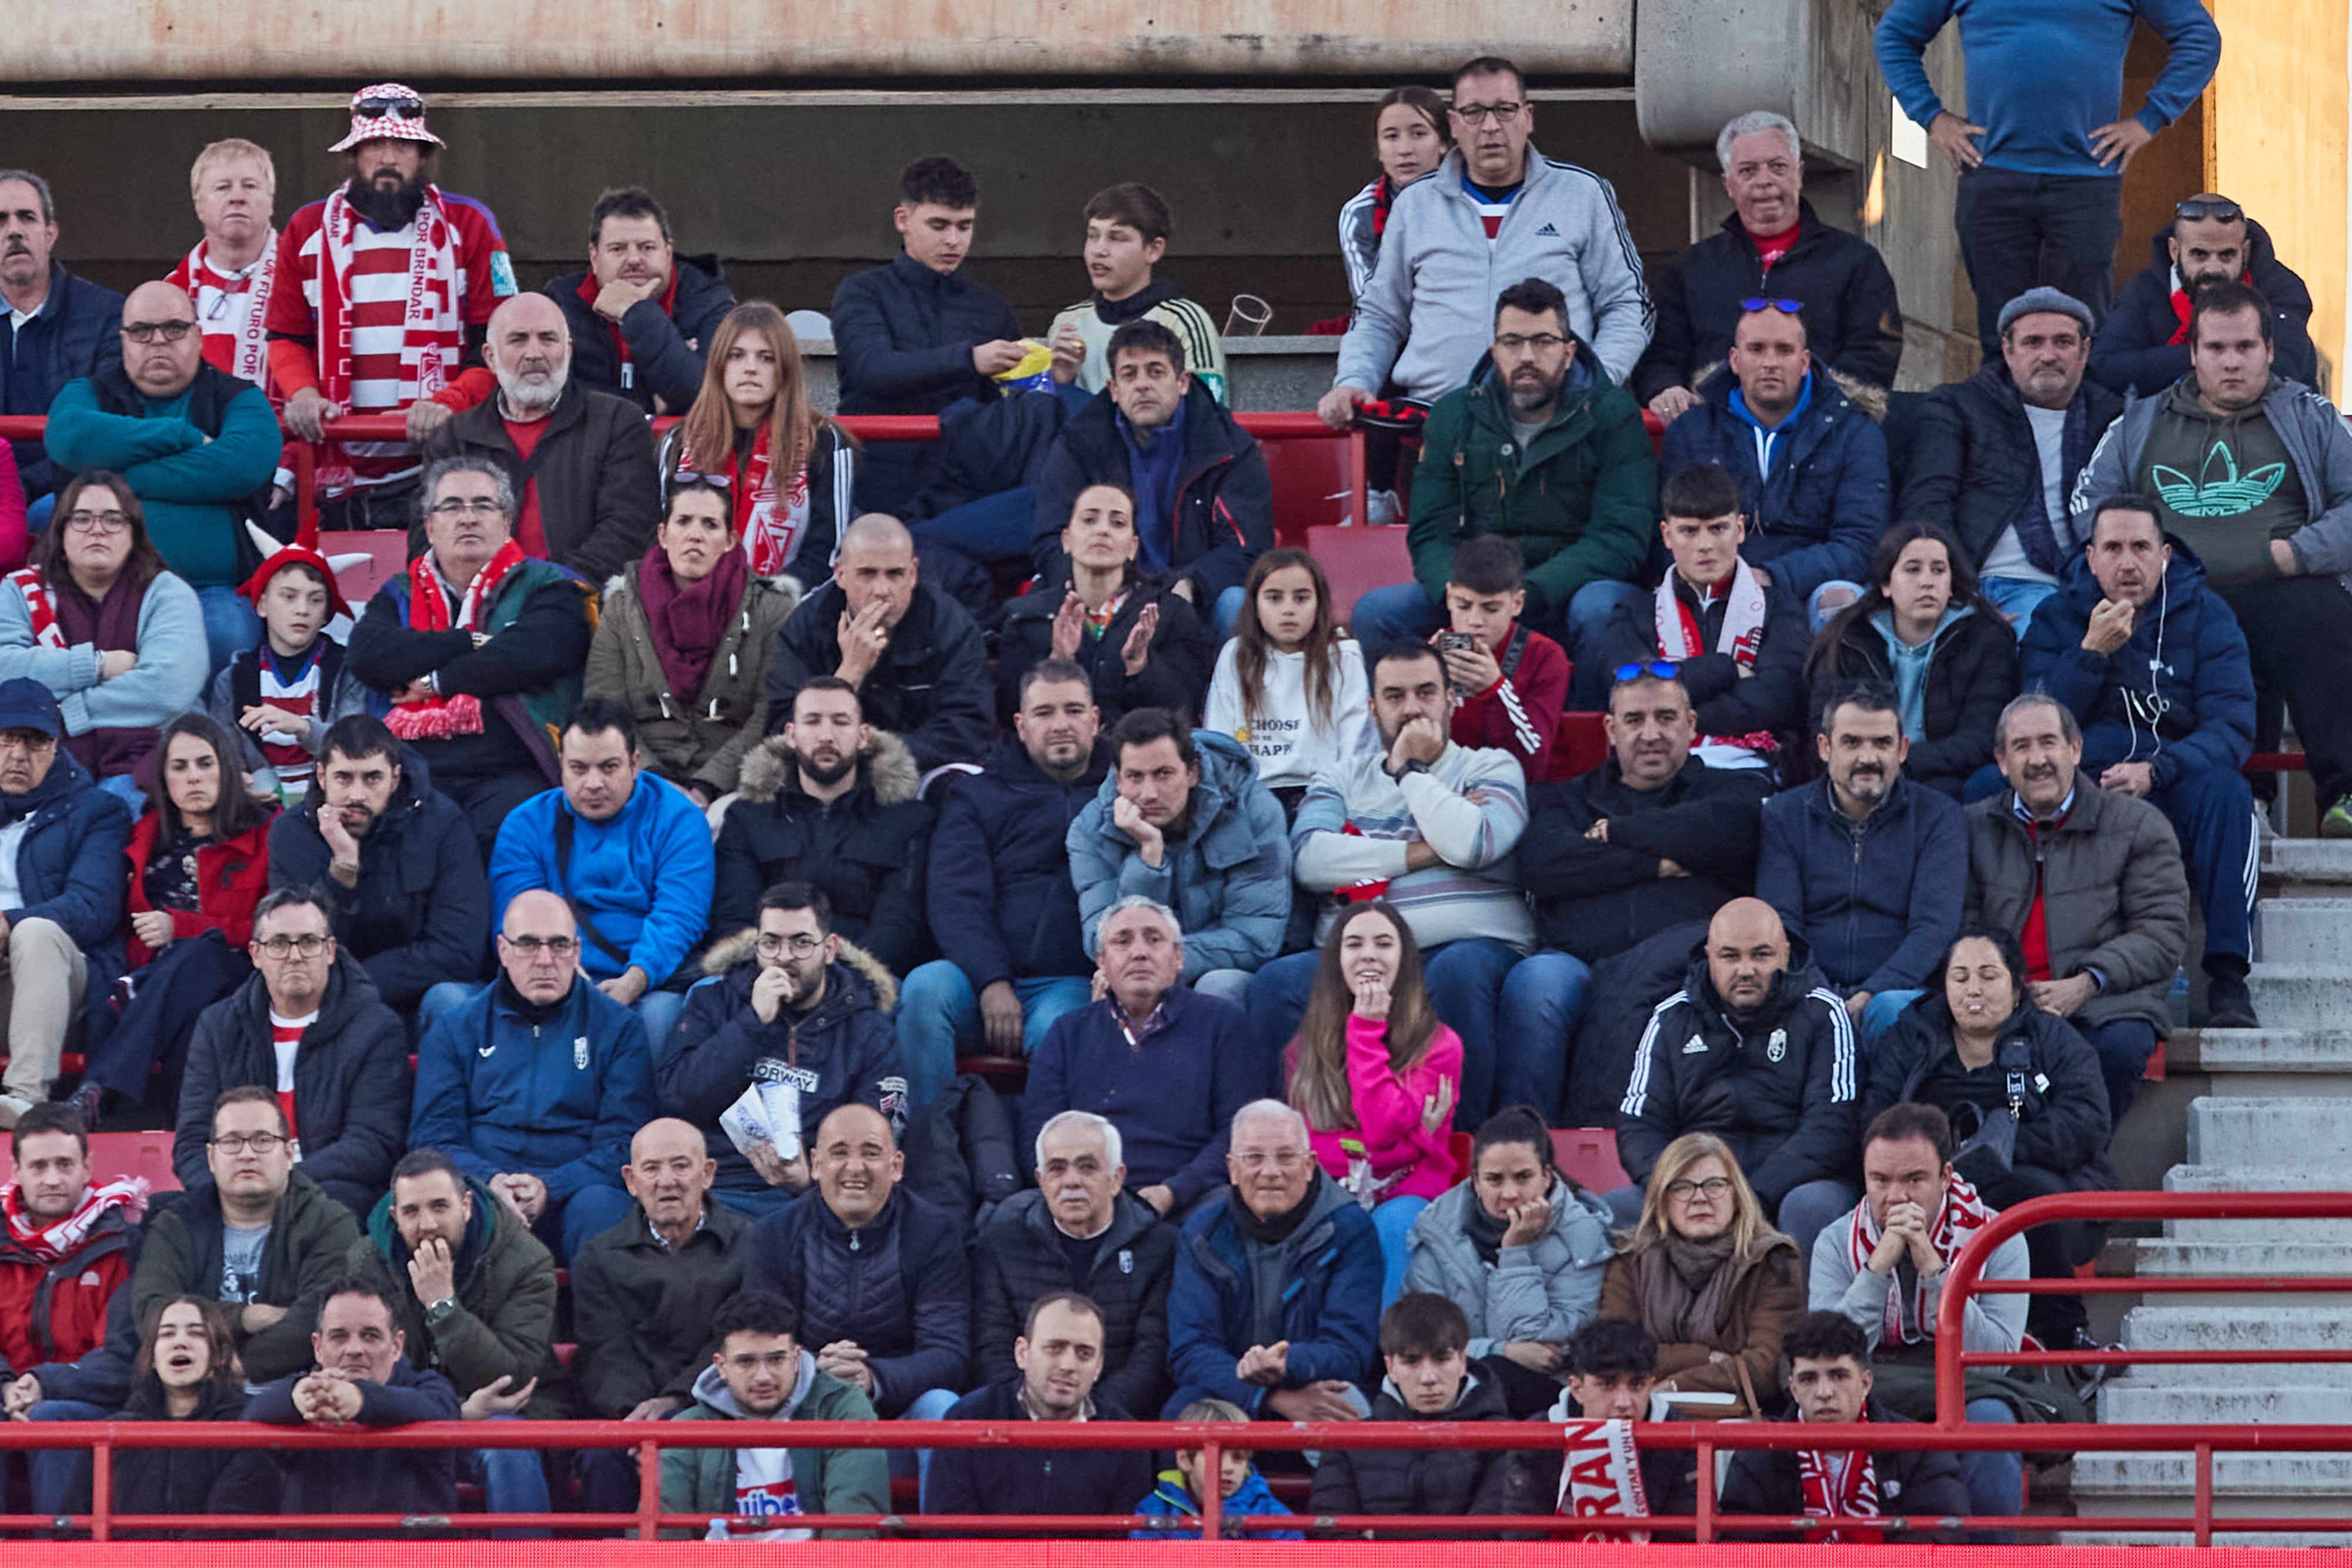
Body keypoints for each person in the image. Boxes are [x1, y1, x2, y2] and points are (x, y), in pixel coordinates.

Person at [2073, 279, 2352, 835]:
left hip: (2283, 588)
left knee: (2323, 616)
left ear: (2269, 350)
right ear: (2193, 352)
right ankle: (2244, 797)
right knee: (2207, 630)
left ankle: (2344, 793)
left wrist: (2297, 553)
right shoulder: (2138, 423)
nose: (2231, 362)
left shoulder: (2312, 416)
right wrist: (2142, 567)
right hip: (2173, 598)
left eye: (2245, 348)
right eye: (2217, 349)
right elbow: (2089, 508)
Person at [1259, 641, 1532, 1125]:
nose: (1411, 708)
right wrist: (1429, 848)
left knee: (1458, 974)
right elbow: (1310, 860)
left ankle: (1461, 1139)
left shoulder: (1490, 766)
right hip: (1354, 952)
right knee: (1275, 983)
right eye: (1394, 695)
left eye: (1426, 692)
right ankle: (1307, 1147)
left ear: (1452, 699)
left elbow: (1476, 844)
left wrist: (1410, 772)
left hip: (1470, 944)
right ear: (1372, 707)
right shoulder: (1340, 778)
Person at [1355, 278, 1656, 697]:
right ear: (1494, 351)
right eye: (1512, 342)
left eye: (1544, 342)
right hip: (1475, 590)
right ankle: (1412, 739)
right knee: (1377, 613)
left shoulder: (1613, 415)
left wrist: (1526, 595)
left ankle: (1588, 742)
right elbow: (1430, 532)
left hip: (1568, 590)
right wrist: (1462, 598)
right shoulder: (1452, 416)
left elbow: (1620, 538)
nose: (1527, 356)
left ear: (1569, 352)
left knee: (1601, 608)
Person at [2017, 504, 2254, 1031]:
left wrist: (2158, 770)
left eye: (2142, 548)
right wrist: (2089, 654)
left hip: (2171, 778)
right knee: (1988, 789)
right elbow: (2028, 724)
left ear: (2165, 556)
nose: (2128, 564)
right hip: (2079, 783)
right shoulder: (2058, 615)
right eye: (2114, 550)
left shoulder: (2207, 614)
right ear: (2091, 559)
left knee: (2228, 793)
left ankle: (2229, 981)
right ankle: (2005, 974)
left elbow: (2231, 726)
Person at [1872, 0, 2220, 356]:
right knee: (2001, 335)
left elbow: (2201, 38)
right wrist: (1932, 117)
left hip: (2085, 184)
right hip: (1994, 177)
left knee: (2084, 332)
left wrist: (2150, 119)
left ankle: (2085, 412)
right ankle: (2003, 411)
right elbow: (1894, 36)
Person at [1321, 55, 1651, 421]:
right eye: (1475, 112)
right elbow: (1379, 316)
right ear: (1454, 124)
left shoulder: (1583, 193)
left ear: (1528, 117)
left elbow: (1628, 305)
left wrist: (1596, 385)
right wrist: (1354, 378)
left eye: (1505, 110)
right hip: (1440, 422)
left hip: (1558, 422)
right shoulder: (1414, 205)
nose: (1491, 126)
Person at [266, 86, 516, 526]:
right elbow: (286, 336)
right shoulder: (306, 227)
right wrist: (302, 393)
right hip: (333, 470)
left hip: (440, 467)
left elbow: (497, 345)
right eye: (375, 145)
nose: (388, 158)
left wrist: (448, 403)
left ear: (422, 157)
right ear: (354, 155)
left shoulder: (472, 224)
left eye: (402, 145)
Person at [1865, 932, 2115, 1345]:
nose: (1973, 989)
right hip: (1926, 1183)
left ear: (2017, 988)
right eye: (1959, 977)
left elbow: (2087, 1119)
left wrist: (2000, 1152)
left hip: (2034, 1177)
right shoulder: (1912, 1036)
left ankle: (2064, 1339)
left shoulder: (2051, 1038)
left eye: (1988, 976)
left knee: (2029, 1197)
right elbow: (1876, 1115)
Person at [1518, 666, 1771, 1062]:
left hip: (1686, 966)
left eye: (1666, 718)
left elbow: (1729, 832)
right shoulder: (1563, 800)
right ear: (1610, 728)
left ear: (1691, 724)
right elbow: (1543, 864)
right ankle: (1528, 1123)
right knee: (1536, 982)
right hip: (1577, 963)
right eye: (1634, 720)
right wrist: (1655, 865)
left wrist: (1615, 832)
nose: (1651, 734)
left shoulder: (1733, 791)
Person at [348, 454, 595, 860]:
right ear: (430, 526)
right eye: (452, 507)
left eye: (483, 505)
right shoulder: (399, 591)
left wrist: (435, 681)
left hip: (515, 766)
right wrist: (468, 642)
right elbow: (369, 656)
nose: (468, 518)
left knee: (507, 835)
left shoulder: (551, 584)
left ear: (507, 521)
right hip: (412, 768)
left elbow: (536, 653)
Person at [1963, 693, 2196, 1118]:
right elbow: (1959, 927)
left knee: (2121, 1045)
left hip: (2104, 1002)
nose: (2038, 759)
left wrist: (2086, 981)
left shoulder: (2138, 824)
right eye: (2022, 746)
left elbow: (2161, 932)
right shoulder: (1971, 827)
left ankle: (2079, 1163)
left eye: (2049, 742)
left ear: (2076, 748)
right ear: (2001, 761)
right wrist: (2002, 990)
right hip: (2000, 1002)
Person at [1809, 1102, 2032, 1522]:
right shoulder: (1835, 1242)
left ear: (1946, 1177)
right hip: (1876, 1377)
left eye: (1914, 1179)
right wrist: (1879, 1265)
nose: (1896, 1196)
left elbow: (1996, 1360)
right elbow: (1828, 1357)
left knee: (1991, 1421)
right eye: (1880, 1179)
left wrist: (1933, 1267)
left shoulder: (1999, 1237)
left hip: (1965, 1382)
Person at [43, 279, 280, 670]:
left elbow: (242, 465)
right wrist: (180, 436)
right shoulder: (87, 392)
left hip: (215, 591)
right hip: (101, 590)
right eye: (141, 331)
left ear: (199, 336)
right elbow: (67, 437)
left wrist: (116, 479)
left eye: (174, 328)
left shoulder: (240, 397)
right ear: (123, 340)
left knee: (230, 639)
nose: (158, 341)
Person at [408, 890, 650, 1262]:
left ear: (577, 951)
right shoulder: (456, 1029)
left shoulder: (619, 1029)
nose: (545, 960)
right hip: (481, 1190)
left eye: (558, 945)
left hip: (575, 1192)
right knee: (439, 1207)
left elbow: (624, 1143)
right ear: (503, 951)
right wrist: (490, 1184)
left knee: (603, 1209)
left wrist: (550, 1187)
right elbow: (434, 1137)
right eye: (528, 945)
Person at [897, 660, 1102, 1095]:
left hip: (1067, 982)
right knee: (924, 990)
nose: (1061, 724)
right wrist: (992, 981)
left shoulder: (1121, 792)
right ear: (1020, 724)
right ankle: (929, 1148)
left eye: (1073, 710)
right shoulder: (976, 794)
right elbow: (956, 897)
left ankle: (1047, 1159)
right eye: (1044, 713)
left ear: (1095, 719)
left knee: (1061, 1029)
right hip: (976, 979)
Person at [1615, 898, 1860, 1252]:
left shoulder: (1823, 1012)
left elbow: (1833, 1127)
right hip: (1693, 1182)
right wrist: (1683, 1189)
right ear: (1709, 957)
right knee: (1619, 1208)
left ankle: (1805, 1311)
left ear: (1785, 954)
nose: (1746, 970)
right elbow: (1639, 1124)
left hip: (1791, 1184)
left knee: (1812, 1206)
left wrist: (1748, 1196)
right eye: (1730, 957)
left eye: (1761, 955)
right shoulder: (1671, 1018)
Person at [71, 713, 275, 1127]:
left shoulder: (267, 832)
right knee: (183, 1019)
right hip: (164, 985)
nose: (194, 777)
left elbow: (268, 928)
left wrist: (181, 927)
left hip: (238, 974)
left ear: (228, 769)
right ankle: (168, 1142)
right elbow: (123, 927)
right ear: (163, 778)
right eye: (179, 767)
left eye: (205, 763)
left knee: (196, 955)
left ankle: (98, 1088)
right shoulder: (143, 834)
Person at [659, 882, 908, 1221]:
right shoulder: (713, 1004)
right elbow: (678, 1100)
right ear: (756, 946)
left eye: (802, 943)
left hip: (817, 1202)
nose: (785, 957)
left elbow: (877, 1137)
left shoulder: (868, 1030)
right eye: (771, 943)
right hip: (718, 1191)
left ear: (830, 948)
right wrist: (754, 1022)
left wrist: (812, 1180)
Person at [1632, 111, 1903, 423]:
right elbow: (1661, 354)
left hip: (1825, 435)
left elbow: (1875, 353)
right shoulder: (1691, 268)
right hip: (1713, 435)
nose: (1765, 181)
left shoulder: (1857, 261)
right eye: (1748, 171)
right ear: (1729, 184)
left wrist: (1806, 401)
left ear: (1799, 174)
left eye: (1778, 167)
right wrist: (1666, 388)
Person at [348, 1148, 566, 1516]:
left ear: (465, 1205)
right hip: (410, 1415)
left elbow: (510, 1377)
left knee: (505, 1445)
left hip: (509, 1413)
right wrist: (457, 1414)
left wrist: (443, 1307)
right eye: (412, 1212)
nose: (427, 1223)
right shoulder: (366, 1262)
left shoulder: (527, 1260)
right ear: (394, 1216)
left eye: (440, 1207)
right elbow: (369, 1374)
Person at [483, 699, 714, 1044]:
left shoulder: (679, 820)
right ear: (560, 765)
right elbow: (517, 922)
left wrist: (633, 982)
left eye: (609, 768)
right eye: (579, 769)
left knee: (659, 1014)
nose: (593, 783)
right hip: (550, 978)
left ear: (635, 764)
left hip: (648, 983)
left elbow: (679, 917)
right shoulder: (526, 824)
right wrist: (570, 986)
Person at [1897, 288, 2124, 631]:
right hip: (1977, 582)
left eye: (2063, 342)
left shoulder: (2112, 417)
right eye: (2033, 343)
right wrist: (1958, 596)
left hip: (2073, 587)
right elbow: (1928, 503)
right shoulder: (1959, 407)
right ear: (2008, 350)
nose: (2048, 355)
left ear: (2084, 351)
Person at [173, 887, 410, 1215]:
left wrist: (279, 1185)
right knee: (159, 1217)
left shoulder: (376, 1027)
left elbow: (372, 1144)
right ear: (256, 954)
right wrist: (227, 1196)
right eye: (280, 944)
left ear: (330, 951)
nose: (295, 955)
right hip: (234, 1196)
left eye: (309, 942)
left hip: (329, 1196)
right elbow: (193, 1141)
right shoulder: (217, 1027)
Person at [1021, 896, 1262, 1218]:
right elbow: (1040, 1134)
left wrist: (1175, 1191)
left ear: (1178, 958)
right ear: (1102, 963)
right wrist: (1094, 1193)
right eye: (1122, 942)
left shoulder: (1222, 1024)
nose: (1139, 952)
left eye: (1154, 939)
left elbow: (1241, 1131)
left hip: (1192, 1198)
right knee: (1012, 1216)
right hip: (1090, 1200)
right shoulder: (1068, 1032)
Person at [1030, 321, 1272, 637]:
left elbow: (1248, 545)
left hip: (1196, 595)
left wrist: (1192, 584)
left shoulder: (1229, 446)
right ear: (1114, 390)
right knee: (1035, 610)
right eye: (1130, 374)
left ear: (1183, 382)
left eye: (1155, 371)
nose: (1142, 384)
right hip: (1103, 590)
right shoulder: (1080, 443)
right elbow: (1050, 538)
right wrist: (1100, 588)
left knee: (1236, 603)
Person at [1658, 302, 1889, 626]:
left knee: (1839, 600)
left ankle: (1834, 680)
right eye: (1756, 349)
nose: (1770, 363)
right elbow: (1669, 533)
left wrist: (1770, 576)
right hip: (1712, 579)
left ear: (1805, 362)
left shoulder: (1855, 432)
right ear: (1735, 361)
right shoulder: (1690, 430)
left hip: (1810, 586)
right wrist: (1725, 577)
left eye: (1784, 351)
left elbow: (1861, 543)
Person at [740, 1103, 969, 1427]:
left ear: (897, 1166)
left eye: (871, 1153)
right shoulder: (774, 1234)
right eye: (839, 1153)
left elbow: (948, 1353)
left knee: (942, 1406)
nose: (855, 1167)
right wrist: (817, 1370)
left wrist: (873, 1377)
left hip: (901, 1406)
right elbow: (762, 1344)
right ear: (816, 1164)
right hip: (806, 1405)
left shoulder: (933, 1232)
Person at [1759, 683, 1967, 1038]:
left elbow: (1933, 928)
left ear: (1903, 750)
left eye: (1882, 743)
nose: (1867, 758)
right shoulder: (1784, 815)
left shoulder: (1938, 817)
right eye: (1852, 742)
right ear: (1825, 747)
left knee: (1888, 1014)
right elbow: (1782, 924)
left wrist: (1872, 994)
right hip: (1806, 989)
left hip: (1900, 995)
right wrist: (1823, 997)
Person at [570, 1118, 757, 1513]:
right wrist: (644, 1427)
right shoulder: (599, 1256)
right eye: (652, 1168)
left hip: (715, 1410)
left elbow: (739, 1338)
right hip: (631, 1418)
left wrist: (677, 1406)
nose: (666, 1181)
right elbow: (606, 1350)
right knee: (601, 1460)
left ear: (708, 1173)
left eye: (681, 1165)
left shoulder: (751, 1245)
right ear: (630, 1180)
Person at [128, 1085, 363, 1390]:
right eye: (232, 1142)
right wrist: (247, 1317)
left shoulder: (329, 1223)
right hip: (194, 1400)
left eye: (263, 1140)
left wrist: (230, 1365)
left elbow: (322, 1321)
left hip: (298, 1399)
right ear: (211, 1158)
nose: (247, 1154)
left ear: (290, 1154)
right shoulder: (175, 1225)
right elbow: (152, 1313)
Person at [1286, 900, 1462, 1306]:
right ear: (1337, 960)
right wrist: (1415, 1140)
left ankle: (1389, 1360)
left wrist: (1365, 1030)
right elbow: (1316, 1147)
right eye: (1354, 944)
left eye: (1384, 943)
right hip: (1332, 1193)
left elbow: (1381, 1125)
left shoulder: (1440, 1045)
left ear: (1405, 960)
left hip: (1408, 1194)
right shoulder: (1304, 1048)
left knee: (1395, 1224)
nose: (1368, 953)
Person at [418, 291, 662, 583]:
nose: (535, 353)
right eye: (518, 340)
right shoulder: (453, 438)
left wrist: (549, 589)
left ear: (569, 351)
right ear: (490, 358)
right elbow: (427, 539)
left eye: (548, 338)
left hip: (582, 603)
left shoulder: (619, 423)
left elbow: (627, 530)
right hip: (477, 607)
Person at [1164, 1099, 1383, 1420]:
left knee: (1350, 1409)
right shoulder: (1201, 1231)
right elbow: (1190, 1350)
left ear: (1309, 1166)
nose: (1270, 1172)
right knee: (1181, 1415)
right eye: (1254, 1158)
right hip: (1233, 1389)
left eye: (1285, 1157)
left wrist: (1287, 1363)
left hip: (1316, 1383)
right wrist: (1267, 1396)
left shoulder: (1350, 1229)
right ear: (1232, 1169)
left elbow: (1351, 1349)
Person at [830, 156, 1024, 519]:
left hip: (961, 491)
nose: (954, 240)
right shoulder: (862, 291)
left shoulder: (992, 308)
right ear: (903, 220)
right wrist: (970, 360)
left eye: (965, 226)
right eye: (939, 225)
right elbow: (872, 370)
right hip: (872, 489)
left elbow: (1007, 411)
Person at [583, 477, 796, 803]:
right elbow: (605, 707)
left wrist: (709, 786)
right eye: (683, 521)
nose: (695, 534)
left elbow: (770, 713)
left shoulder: (772, 608)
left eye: (710, 525)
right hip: (638, 779)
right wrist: (656, 781)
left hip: (737, 785)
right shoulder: (622, 607)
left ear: (729, 541)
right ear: (663, 535)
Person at [266, 714, 492, 1014]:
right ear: (322, 776)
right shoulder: (291, 834)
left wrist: (356, 985)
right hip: (328, 1000)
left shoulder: (442, 822)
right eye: (343, 778)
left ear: (395, 778)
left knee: (451, 1001)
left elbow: (460, 951)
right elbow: (297, 949)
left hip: (422, 990)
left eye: (372, 778)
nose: (357, 795)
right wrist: (343, 869)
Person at [1402, 1105, 1617, 1419]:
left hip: (1546, 1392)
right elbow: (1418, 1337)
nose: (1510, 1192)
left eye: (1523, 1177)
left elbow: (1545, 1349)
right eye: (1494, 1179)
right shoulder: (1438, 1230)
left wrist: (1516, 1252)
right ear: (1475, 1181)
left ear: (1546, 1176)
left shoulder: (1583, 1236)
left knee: (1495, 1378)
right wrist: (1498, 1350)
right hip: (1450, 1382)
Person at [0, 472, 206, 800]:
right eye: (82, 519)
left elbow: (168, 688)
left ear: (134, 533)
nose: (97, 529)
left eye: (113, 519)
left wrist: (66, 710)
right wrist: (97, 666)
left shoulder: (167, 592)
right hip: (37, 765)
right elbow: (5, 670)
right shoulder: (19, 590)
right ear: (61, 530)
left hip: (140, 766)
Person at [711, 677, 933, 972]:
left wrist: (837, 982)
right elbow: (734, 919)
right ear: (791, 734)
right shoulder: (748, 817)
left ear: (863, 735)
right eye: (813, 722)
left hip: (868, 980)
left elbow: (899, 924)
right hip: (767, 975)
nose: (826, 736)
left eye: (841, 722)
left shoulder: (907, 819)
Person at [1070, 708, 1290, 1001]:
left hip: (1228, 968)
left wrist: (1165, 962)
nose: (1149, 793)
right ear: (1118, 780)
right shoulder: (1090, 830)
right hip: (1142, 969)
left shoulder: (1253, 812)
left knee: (1216, 987)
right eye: (1135, 777)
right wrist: (1149, 857)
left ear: (1192, 773)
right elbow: (1101, 938)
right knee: (1115, 987)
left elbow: (1256, 938)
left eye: (1164, 774)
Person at [973, 1109, 1177, 1421]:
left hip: (1118, 1425)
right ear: (1040, 1180)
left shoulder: (1159, 1246)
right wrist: (1037, 1412)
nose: (1071, 1181)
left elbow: (1151, 1356)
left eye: (1087, 1167)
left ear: (1116, 1178)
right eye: (1057, 1169)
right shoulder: (1002, 1240)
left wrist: (1087, 1418)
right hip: (1023, 1419)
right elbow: (993, 1346)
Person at [1604, 460, 1809, 765]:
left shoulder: (1780, 607)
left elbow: (1780, 699)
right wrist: (1726, 669)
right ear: (1667, 535)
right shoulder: (1634, 611)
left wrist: (1674, 710)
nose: (1705, 545)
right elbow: (1633, 693)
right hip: (1657, 769)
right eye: (1688, 531)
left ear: (1739, 529)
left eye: (1718, 529)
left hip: (1753, 767)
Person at [218, 1275, 463, 1519]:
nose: (355, 1349)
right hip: (308, 1557)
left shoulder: (431, 1389)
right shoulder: (301, 1392)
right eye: (339, 1336)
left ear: (397, 1346)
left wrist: (360, 1399)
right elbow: (251, 1417)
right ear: (318, 1347)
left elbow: (439, 1413)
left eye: (370, 1335)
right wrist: (296, 1400)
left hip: (411, 1557)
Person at [761, 513, 991, 773]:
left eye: (895, 574)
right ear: (841, 574)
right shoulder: (806, 626)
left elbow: (966, 729)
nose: (882, 589)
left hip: (917, 769)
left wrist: (872, 754)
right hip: (823, 772)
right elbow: (780, 729)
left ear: (914, 574)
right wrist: (849, 675)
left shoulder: (950, 626)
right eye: (867, 574)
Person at [1807, 523, 2020, 800]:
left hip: (1949, 779)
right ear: (1886, 584)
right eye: (1913, 569)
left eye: (1939, 570)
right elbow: (1824, 728)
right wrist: (1880, 761)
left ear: (1952, 583)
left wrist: (1901, 760)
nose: (1927, 581)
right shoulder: (1849, 640)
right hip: (1864, 774)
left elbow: (1981, 737)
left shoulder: (1986, 638)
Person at [0, 1101, 146, 1502]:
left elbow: (121, 1358)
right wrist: (7, 1385)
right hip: (11, 1393)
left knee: (51, 1418)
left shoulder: (123, 1244)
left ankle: (60, 1553)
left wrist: (44, 1383)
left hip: (90, 1404)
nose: (52, 1179)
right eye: (39, 1166)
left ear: (87, 1167)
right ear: (16, 1171)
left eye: (65, 1164)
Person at [0, 678, 132, 1121]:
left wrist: (8, 922)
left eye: (35, 740)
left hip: (59, 983)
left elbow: (93, 908)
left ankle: (24, 1097)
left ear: (56, 746)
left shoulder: (97, 810)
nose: (18, 754)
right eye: (6, 739)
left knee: (36, 932)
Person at [1599, 1132, 1803, 1416]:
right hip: (1644, 1417)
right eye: (1682, 1187)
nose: (1699, 1198)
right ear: (1662, 1198)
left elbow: (1764, 1370)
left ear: (1737, 1194)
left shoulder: (1771, 1260)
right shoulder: (1629, 1258)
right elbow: (1615, 1353)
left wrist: (1672, 1386)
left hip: (1736, 1421)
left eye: (1714, 1185)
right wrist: (1706, 1357)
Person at [658, 1288, 888, 1540]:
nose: (763, 1376)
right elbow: (662, 1528)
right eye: (746, 1362)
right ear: (721, 1366)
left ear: (797, 1358)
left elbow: (855, 1513)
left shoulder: (839, 1406)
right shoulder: (689, 1427)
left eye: (777, 1359)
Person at [1718, 1310, 1971, 1539]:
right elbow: (1741, 1550)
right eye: (1809, 1379)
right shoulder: (1758, 1458)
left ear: (1865, 1383)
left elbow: (1945, 1538)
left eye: (1838, 1376)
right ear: (1793, 1389)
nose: (1824, 1392)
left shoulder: (1918, 1449)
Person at [656, 301, 857, 586]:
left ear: (785, 369)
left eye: (766, 358)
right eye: (737, 356)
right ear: (718, 365)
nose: (750, 369)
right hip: (692, 603)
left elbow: (828, 552)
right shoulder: (680, 440)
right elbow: (664, 541)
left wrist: (762, 606)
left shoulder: (825, 442)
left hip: (785, 611)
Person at [1308, 1292, 1537, 1535]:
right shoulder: (1346, 1444)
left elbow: (1484, 1542)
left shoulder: (1507, 1440)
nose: (1428, 1378)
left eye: (1441, 1359)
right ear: (1390, 1367)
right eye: (1412, 1361)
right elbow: (1331, 1539)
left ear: (1462, 1360)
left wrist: (1380, 1536)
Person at [925, 1292, 1157, 1527]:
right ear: (1022, 1353)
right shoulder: (966, 1419)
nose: (1068, 1366)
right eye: (1054, 1348)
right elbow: (948, 1538)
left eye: (1084, 1354)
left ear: (1098, 1367)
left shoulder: (1127, 1440)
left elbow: (1124, 1549)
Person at [997, 481, 1211, 730]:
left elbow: (1183, 713)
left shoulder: (1170, 613)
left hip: (1135, 762)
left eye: (1118, 523)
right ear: (1066, 540)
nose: (1102, 531)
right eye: (1089, 520)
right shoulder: (1026, 617)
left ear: (1133, 548)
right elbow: (1009, 715)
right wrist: (1058, 661)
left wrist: (1142, 666)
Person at [2093, 195, 2320, 397]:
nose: (2213, 268)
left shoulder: (2282, 288)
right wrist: (2208, 358)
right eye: (2199, 255)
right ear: (2175, 251)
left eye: (2227, 255)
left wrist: (2172, 363)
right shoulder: (2144, 290)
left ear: (2245, 252)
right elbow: (2106, 367)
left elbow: (2284, 367)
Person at [55, 1297, 248, 1530]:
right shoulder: (114, 1433)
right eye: (167, 1334)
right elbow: (73, 1526)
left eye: (196, 1334)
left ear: (220, 1355)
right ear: (153, 1357)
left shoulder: (243, 1427)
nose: (180, 1343)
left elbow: (233, 1528)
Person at [544, 185, 738, 417]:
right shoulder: (561, 304)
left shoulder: (711, 303)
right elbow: (549, 397)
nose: (634, 259)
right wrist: (645, 405)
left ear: (668, 252)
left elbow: (709, 397)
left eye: (647, 248)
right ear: (594, 257)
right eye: (618, 249)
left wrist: (636, 312)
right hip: (588, 451)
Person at [208, 543, 374, 805]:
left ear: (326, 614)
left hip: (331, 801)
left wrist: (303, 727)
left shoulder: (346, 669)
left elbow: (354, 746)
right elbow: (224, 752)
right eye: (289, 596)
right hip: (260, 806)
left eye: (316, 599)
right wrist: (236, 781)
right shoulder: (233, 680)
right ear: (262, 604)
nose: (303, 610)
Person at [1204, 550, 1371, 810]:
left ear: (1320, 604)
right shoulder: (1235, 655)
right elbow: (1220, 741)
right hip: (1252, 794)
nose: (1289, 609)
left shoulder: (1345, 657)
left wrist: (1337, 798)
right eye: (1274, 598)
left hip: (1323, 793)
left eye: (1301, 598)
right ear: (1255, 605)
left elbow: (1356, 748)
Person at [0, 169, 123, 504]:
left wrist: (19, 489)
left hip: (72, 492)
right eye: (1, 220)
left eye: (26, 217)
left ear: (50, 234)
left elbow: (101, 433)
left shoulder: (108, 315)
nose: (13, 231)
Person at [1048, 182, 1228, 405]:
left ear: (1153, 250)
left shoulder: (1185, 320)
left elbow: (1211, 416)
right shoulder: (1068, 323)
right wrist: (1058, 380)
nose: (1099, 250)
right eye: (1092, 236)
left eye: (1117, 238)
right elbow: (1048, 420)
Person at [1435, 534, 1571, 783]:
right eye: (1464, 606)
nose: (1475, 621)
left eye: (1491, 609)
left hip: (1520, 790)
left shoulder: (1546, 657)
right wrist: (1430, 682)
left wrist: (1495, 690)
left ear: (1517, 603)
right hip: (1446, 787)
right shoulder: (1430, 656)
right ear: (1449, 597)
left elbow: (1533, 766)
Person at [1546, 1317, 1699, 1527]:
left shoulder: (1681, 1436)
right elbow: (1519, 1542)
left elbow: (1687, 1543)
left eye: (1637, 1385)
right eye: (1607, 1386)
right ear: (1576, 1389)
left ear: (1651, 1384)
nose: (1624, 1403)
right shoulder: (1537, 1438)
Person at [167, 140, 281, 398]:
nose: (237, 198)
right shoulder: (173, 291)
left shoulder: (306, 279)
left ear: (271, 202)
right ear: (199, 205)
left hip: (284, 435)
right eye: (223, 188)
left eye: (250, 186)